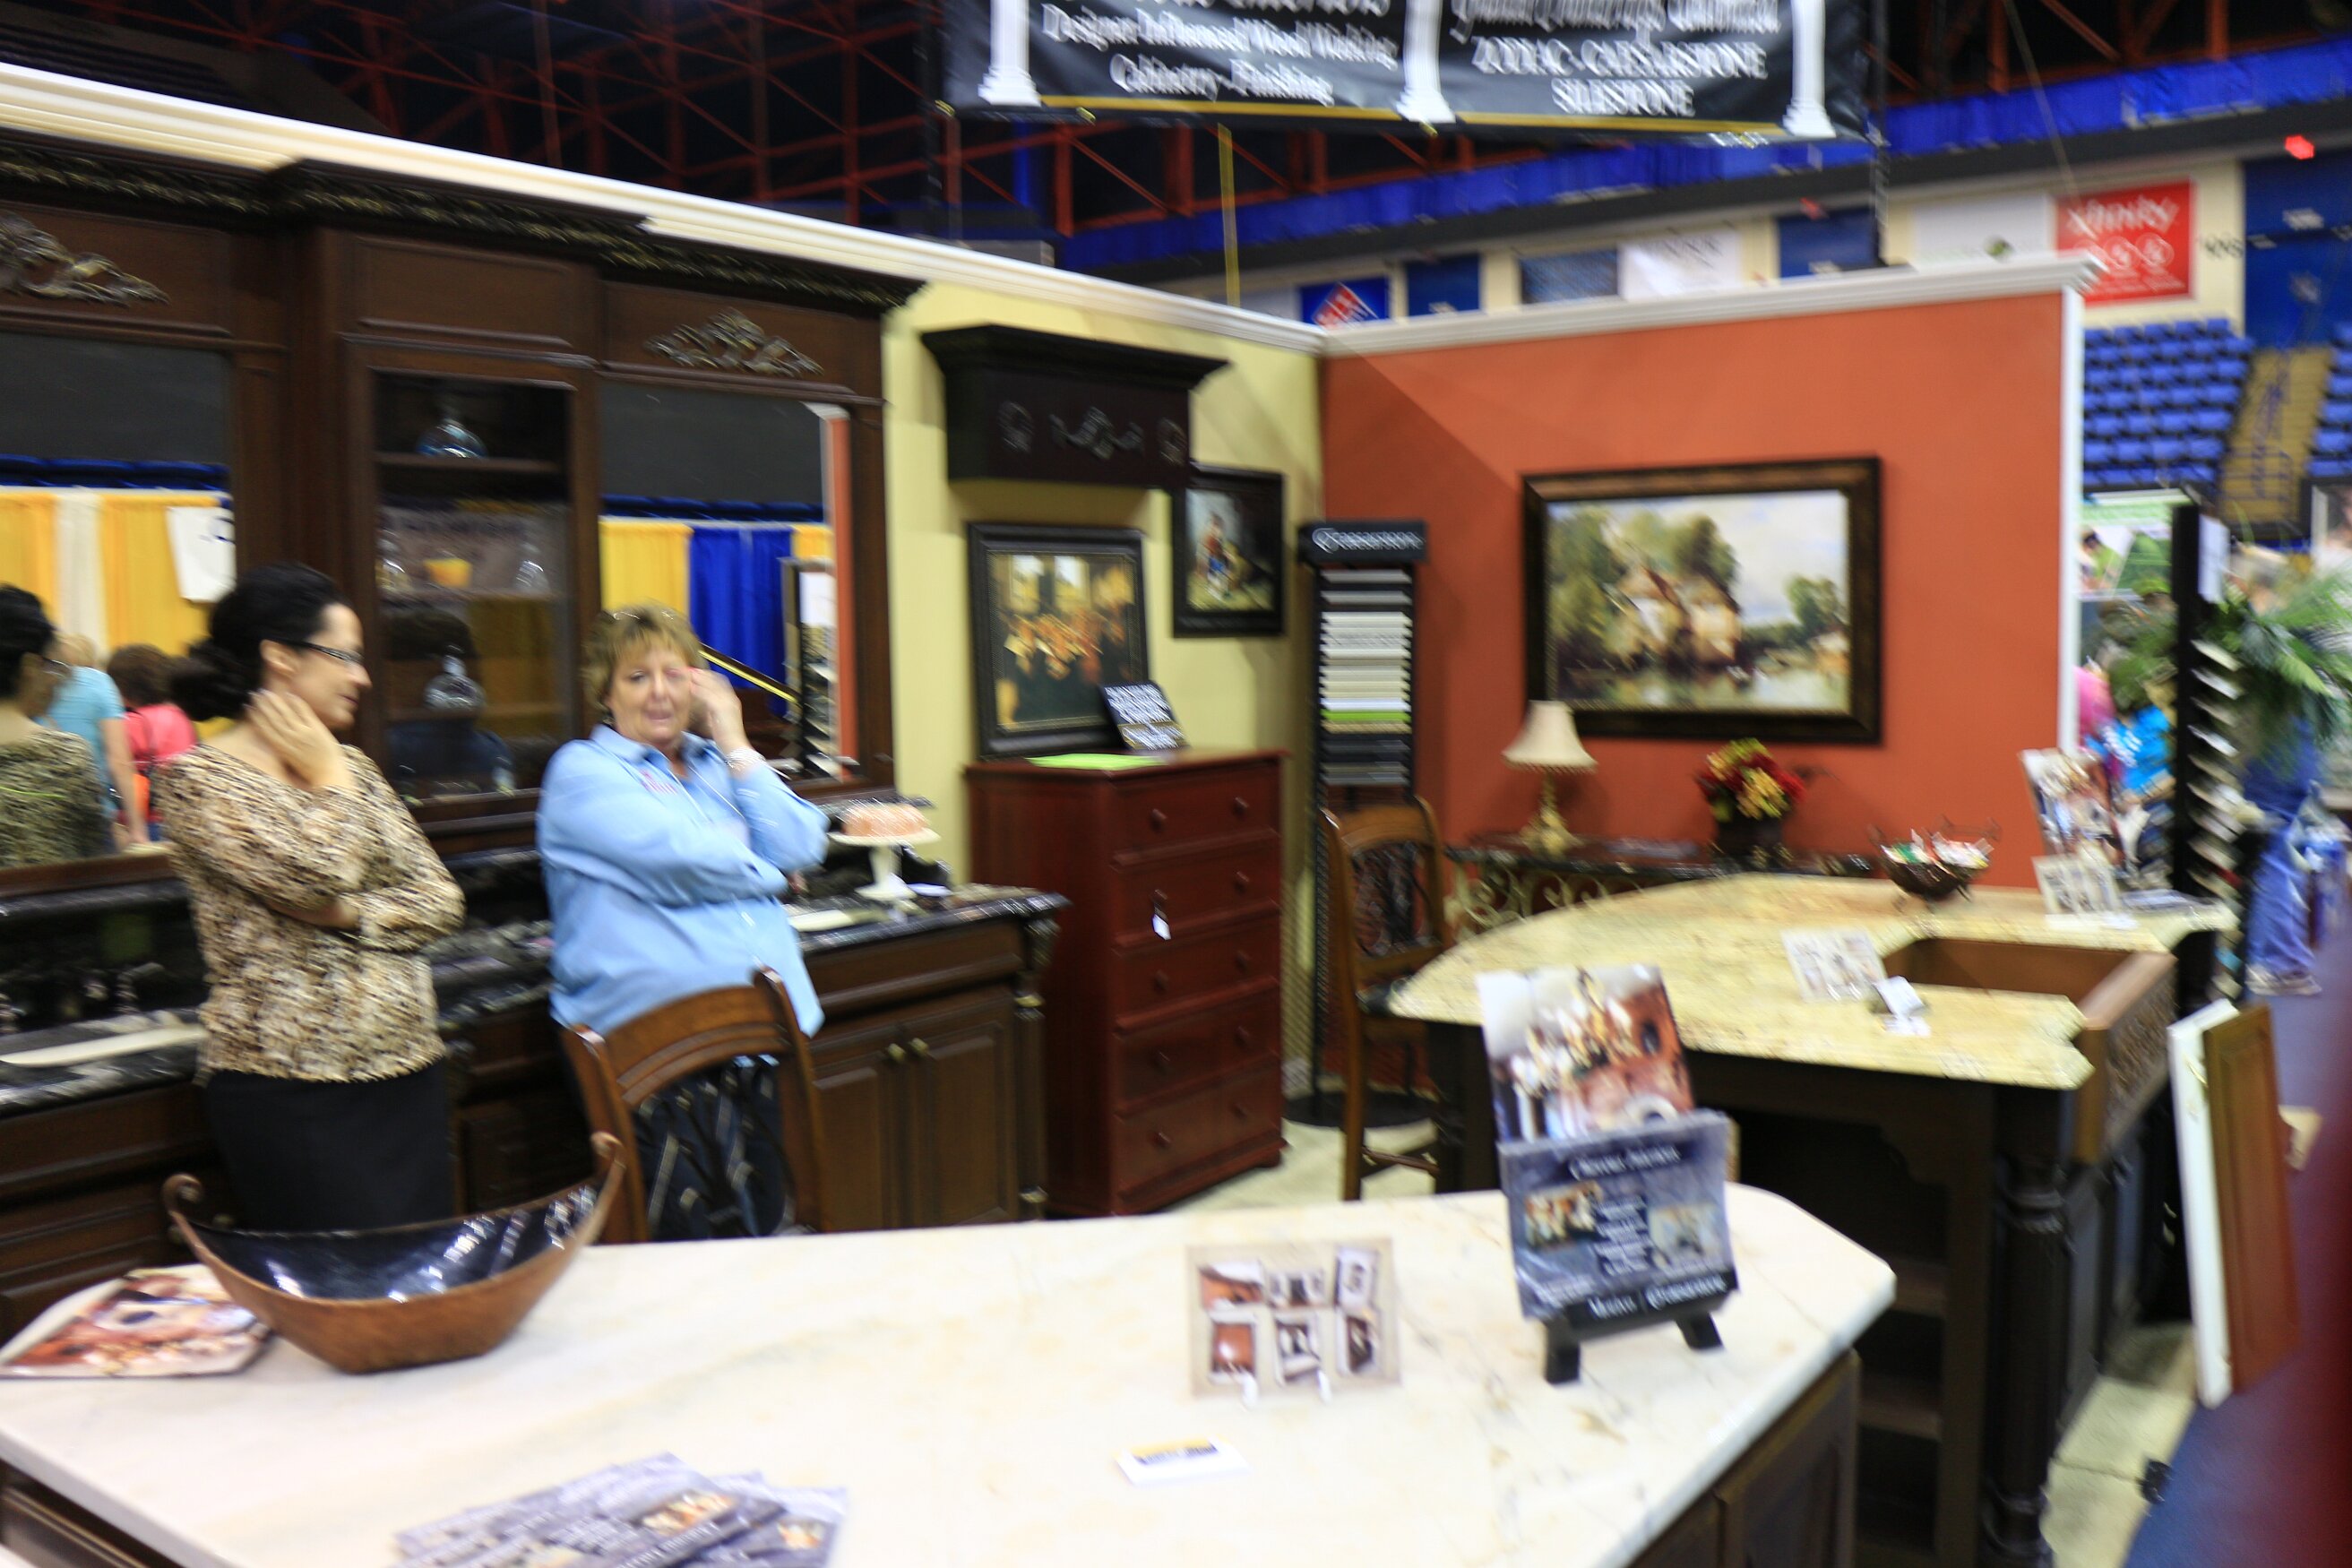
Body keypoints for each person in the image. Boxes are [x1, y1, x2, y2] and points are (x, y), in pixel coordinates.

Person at [151, 564, 463, 1231]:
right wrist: (325, 776)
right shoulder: (198, 780)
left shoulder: (357, 769)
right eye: (345, 656)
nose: (363, 677)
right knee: (341, 1284)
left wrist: (348, 914)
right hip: (293, 1090)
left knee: (422, 1275)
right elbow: (318, 875)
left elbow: (440, 899)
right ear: (281, 658)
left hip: (409, 1071)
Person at [538, 602, 829, 1039]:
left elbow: (801, 844)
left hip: (775, 1028)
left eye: (673, 675)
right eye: (638, 677)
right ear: (606, 692)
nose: (660, 692)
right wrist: (778, 874)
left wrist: (735, 741)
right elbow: (687, 862)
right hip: (659, 1048)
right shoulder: (582, 771)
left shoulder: (718, 762)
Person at [0, 587, 111, 866]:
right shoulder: (63, 757)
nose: (58, 679)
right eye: (53, 666)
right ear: (30, 666)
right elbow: (94, 856)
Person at [41, 633, 142, 848]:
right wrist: (136, 828)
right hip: (93, 813)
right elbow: (119, 762)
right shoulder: (99, 683)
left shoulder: (32, 686)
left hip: (39, 810)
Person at [107, 643, 199, 835]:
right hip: (180, 815)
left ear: (122, 688)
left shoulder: (132, 723)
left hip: (148, 819)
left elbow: (113, 759)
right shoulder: (179, 715)